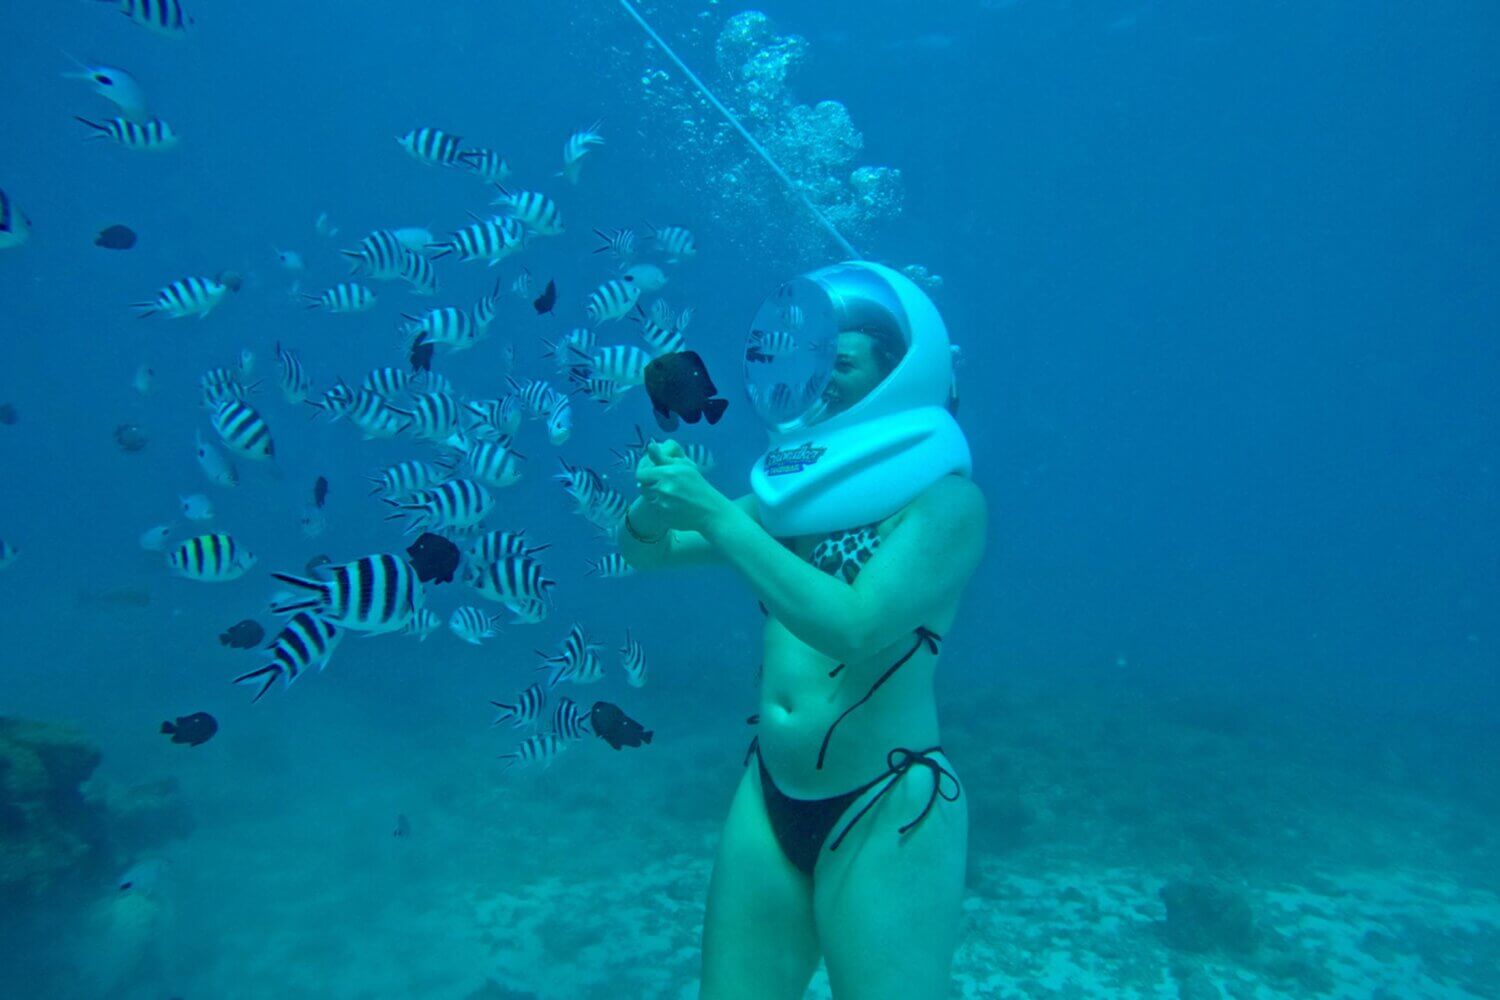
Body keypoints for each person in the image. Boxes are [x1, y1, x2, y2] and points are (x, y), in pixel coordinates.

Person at [619, 262, 987, 1000]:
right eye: (822, 362)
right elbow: (648, 555)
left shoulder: (948, 506)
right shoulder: (797, 499)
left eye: (844, 364)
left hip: (888, 796)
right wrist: (654, 510)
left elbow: (855, 626)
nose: (825, 379)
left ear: (896, 377)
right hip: (769, 787)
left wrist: (717, 515)